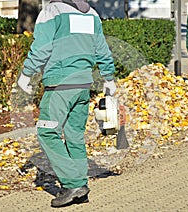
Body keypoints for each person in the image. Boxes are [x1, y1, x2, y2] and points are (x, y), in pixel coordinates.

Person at [17, 0, 116, 207]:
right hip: (83, 84)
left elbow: (42, 47)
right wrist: (109, 78)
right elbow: (101, 48)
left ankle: (74, 184)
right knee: (74, 136)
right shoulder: (91, 13)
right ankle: (80, 187)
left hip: (60, 83)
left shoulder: (52, 11)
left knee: (47, 132)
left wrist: (26, 74)